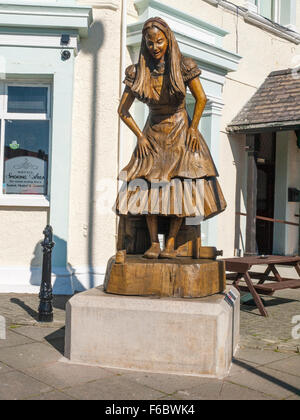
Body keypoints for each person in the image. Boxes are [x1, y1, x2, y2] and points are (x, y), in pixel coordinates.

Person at [116, 17, 226, 259]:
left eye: (159, 41)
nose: (155, 47)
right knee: (148, 189)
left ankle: (171, 244)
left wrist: (194, 128)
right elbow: (122, 111)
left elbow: (201, 99)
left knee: (180, 188)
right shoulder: (137, 73)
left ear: (168, 40)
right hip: (153, 132)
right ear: (145, 44)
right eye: (150, 42)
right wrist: (140, 137)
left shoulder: (184, 66)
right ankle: (153, 243)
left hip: (180, 128)